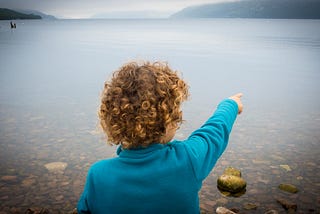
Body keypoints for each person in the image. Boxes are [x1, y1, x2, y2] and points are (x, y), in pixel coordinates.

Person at [77, 61, 243, 214]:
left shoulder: (98, 174)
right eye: (176, 110)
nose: (180, 115)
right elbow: (214, 131)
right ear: (167, 122)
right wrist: (230, 104)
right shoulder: (187, 160)